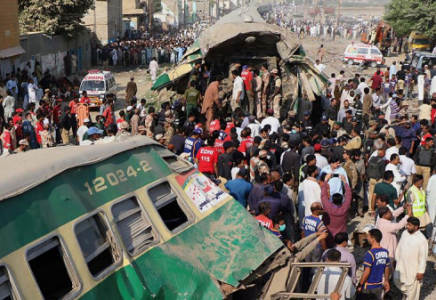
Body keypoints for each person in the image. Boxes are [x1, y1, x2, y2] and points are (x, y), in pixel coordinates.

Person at [394, 217, 428, 300]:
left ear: (416, 227)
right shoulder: (404, 233)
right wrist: (396, 259)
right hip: (401, 265)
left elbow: (423, 257)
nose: (407, 226)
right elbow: (399, 247)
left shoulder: (422, 240)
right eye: (407, 224)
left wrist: (421, 272)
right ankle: (407, 294)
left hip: (413, 269)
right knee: (396, 280)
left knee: (412, 291)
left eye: (410, 225)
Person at [357, 229, 390, 299]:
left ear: (373, 239)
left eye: (368, 236)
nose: (367, 238)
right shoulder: (385, 252)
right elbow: (387, 268)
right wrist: (386, 281)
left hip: (368, 287)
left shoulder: (370, 253)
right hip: (379, 286)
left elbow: (367, 271)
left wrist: (360, 284)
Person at [376, 205, 411, 270]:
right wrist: (408, 215)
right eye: (389, 212)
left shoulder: (382, 220)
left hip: (388, 247)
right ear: (384, 215)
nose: (391, 213)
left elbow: (393, 214)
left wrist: (403, 207)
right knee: (388, 267)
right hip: (388, 249)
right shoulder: (385, 225)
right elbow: (399, 225)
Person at [321, 174, 352, 247]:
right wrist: (345, 182)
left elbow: (323, 195)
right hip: (340, 237)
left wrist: (325, 180)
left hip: (329, 235)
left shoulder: (328, 206)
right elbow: (349, 195)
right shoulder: (345, 207)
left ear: (332, 200)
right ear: (342, 200)